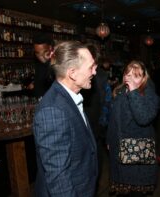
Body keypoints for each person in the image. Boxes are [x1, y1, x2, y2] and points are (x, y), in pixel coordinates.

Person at [33, 41, 98, 197]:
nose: (95, 72)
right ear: (72, 73)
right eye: (91, 67)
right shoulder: (53, 111)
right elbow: (58, 177)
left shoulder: (70, 97)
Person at [106, 60, 160, 197]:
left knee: (136, 191)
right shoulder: (119, 92)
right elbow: (113, 120)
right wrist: (109, 140)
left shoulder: (149, 94)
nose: (129, 78)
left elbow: (143, 118)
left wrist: (134, 91)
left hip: (137, 152)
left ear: (144, 78)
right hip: (118, 148)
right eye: (127, 74)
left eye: (136, 75)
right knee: (122, 191)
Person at [29, 34, 55, 98]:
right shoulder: (37, 62)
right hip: (39, 101)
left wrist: (47, 61)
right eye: (37, 53)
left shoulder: (56, 61)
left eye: (43, 52)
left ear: (50, 47)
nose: (39, 56)